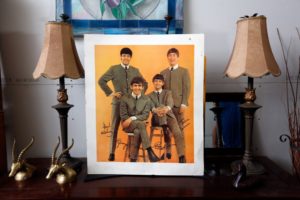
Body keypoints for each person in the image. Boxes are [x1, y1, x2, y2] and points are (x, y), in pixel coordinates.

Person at [98, 47, 148, 161]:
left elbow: (145, 83)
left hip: (131, 106)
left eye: (128, 56)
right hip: (117, 103)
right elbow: (101, 81)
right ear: (121, 57)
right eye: (124, 55)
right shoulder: (113, 69)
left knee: (135, 126)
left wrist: (138, 96)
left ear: (130, 58)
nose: (126, 57)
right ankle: (111, 153)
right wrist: (112, 93)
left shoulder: (135, 70)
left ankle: (133, 154)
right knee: (114, 127)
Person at [120, 76, 160, 162]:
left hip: (138, 126)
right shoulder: (124, 98)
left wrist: (132, 118)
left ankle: (133, 159)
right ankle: (149, 151)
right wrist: (130, 120)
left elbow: (145, 115)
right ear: (131, 87)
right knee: (141, 124)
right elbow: (123, 116)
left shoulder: (146, 99)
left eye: (139, 86)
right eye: (135, 85)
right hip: (127, 125)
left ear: (142, 87)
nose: (137, 88)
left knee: (138, 131)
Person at [148, 74, 186, 163]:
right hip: (156, 119)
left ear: (163, 83)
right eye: (156, 81)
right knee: (161, 106)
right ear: (153, 82)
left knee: (178, 133)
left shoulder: (168, 92)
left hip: (169, 117)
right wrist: (157, 110)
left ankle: (181, 155)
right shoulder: (149, 95)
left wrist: (165, 109)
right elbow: (151, 107)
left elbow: (170, 104)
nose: (157, 83)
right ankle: (165, 129)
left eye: (160, 81)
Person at [160, 48, 191, 133]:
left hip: (179, 104)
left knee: (179, 128)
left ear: (178, 57)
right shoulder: (163, 72)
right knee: (167, 129)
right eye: (170, 55)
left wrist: (184, 103)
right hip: (167, 106)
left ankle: (180, 146)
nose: (172, 57)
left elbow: (186, 88)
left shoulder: (184, 71)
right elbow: (161, 90)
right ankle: (168, 146)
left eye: (174, 55)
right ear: (167, 57)